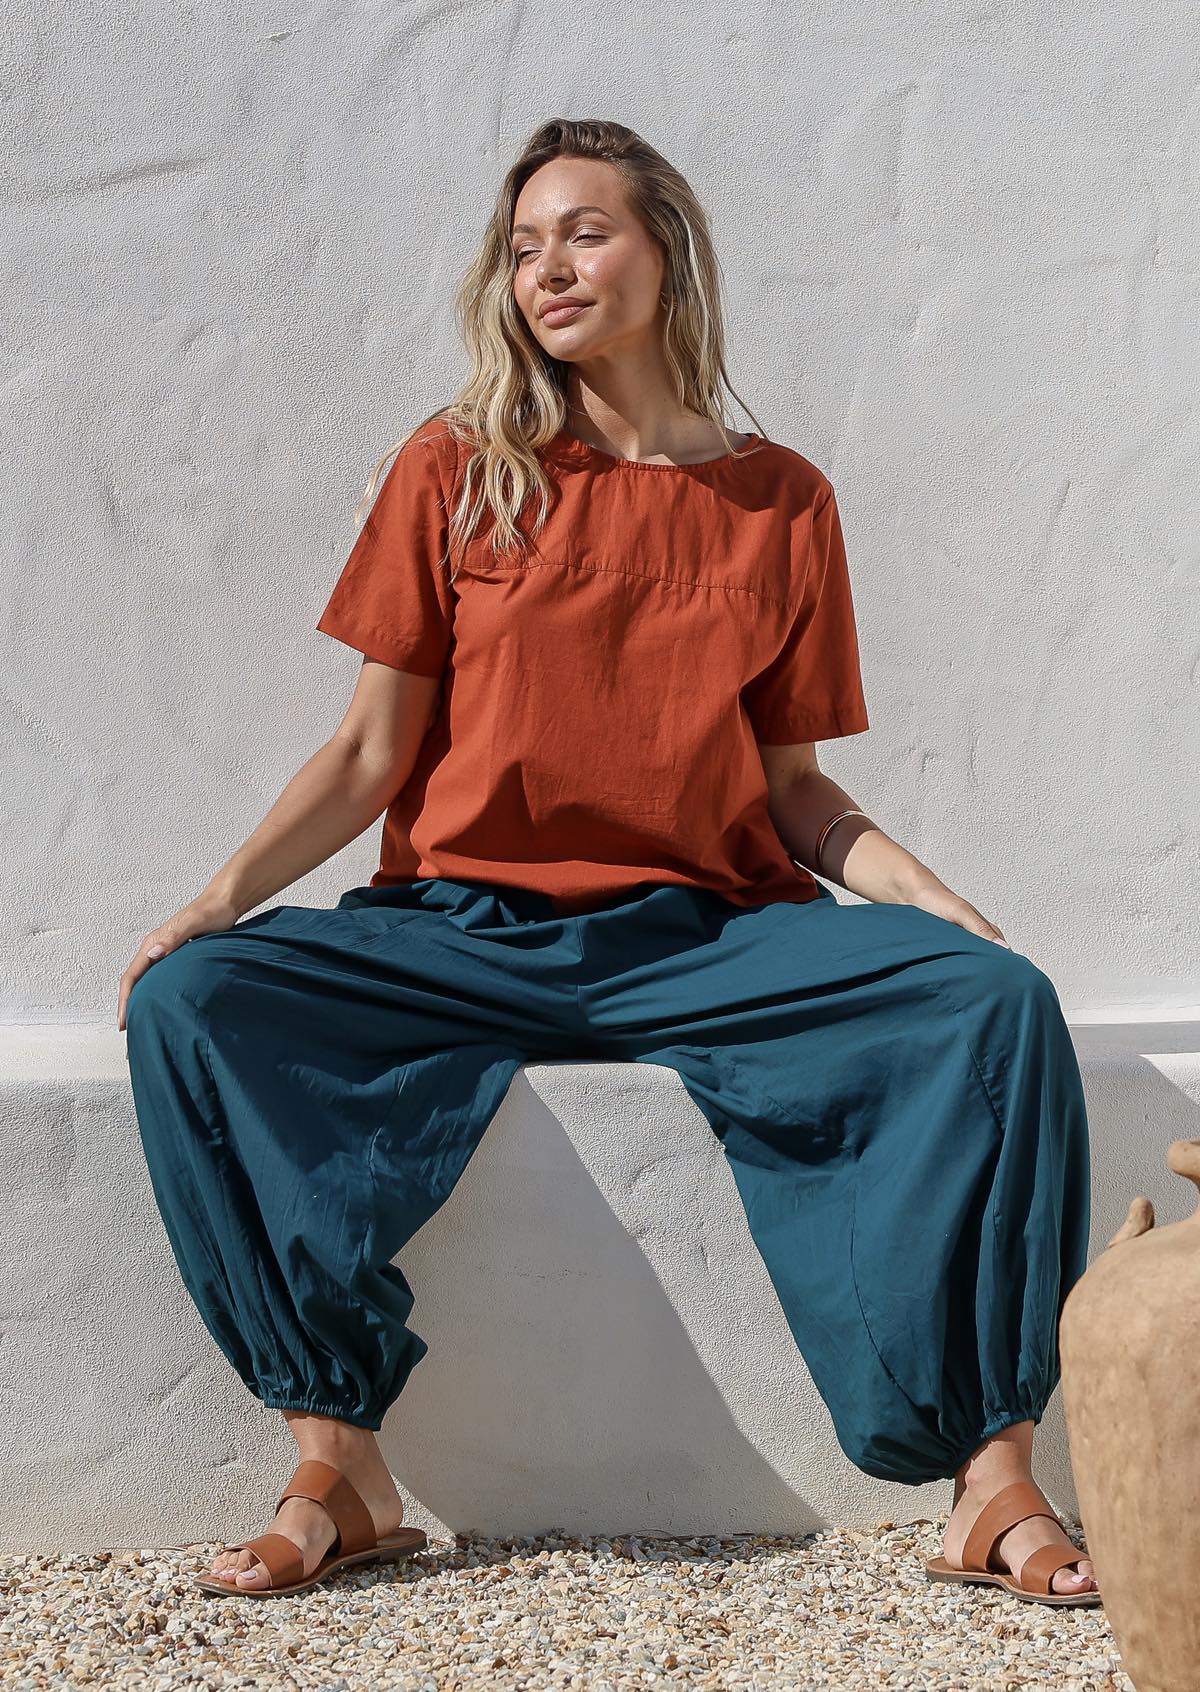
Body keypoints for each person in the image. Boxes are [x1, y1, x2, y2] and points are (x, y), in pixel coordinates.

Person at [120, 117, 1099, 1606]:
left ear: (666, 251)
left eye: (582, 232)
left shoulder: (783, 502)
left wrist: (924, 894)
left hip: (706, 935)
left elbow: (792, 794)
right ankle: (339, 1461)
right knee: (197, 1005)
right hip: (461, 930)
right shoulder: (459, 469)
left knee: (996, 1008)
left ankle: (992, 1478)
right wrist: (213, 901)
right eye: (522, 248)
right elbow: (372, 759)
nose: (547, 270)